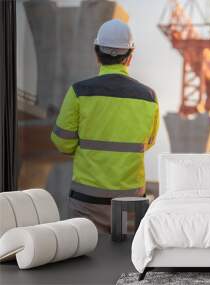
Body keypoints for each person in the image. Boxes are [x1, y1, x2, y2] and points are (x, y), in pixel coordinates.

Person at [51, 19, 159, 233]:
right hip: (131, 202)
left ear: (96, 53)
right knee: (128, 263)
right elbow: (147, 143)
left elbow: (62, 143)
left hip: (87, 201)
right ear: (130, 56)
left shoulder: (79, 92)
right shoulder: (149, 97)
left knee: (85, 261)